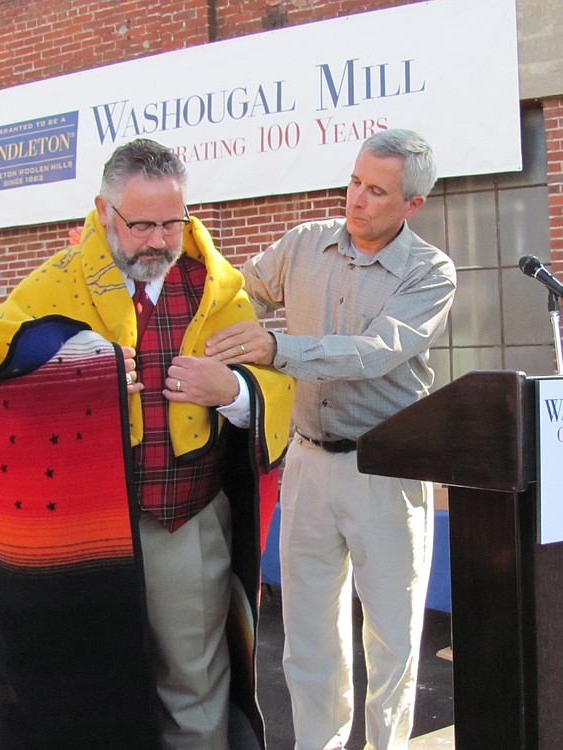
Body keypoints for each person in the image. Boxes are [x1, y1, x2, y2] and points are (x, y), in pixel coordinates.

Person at [0, 138, 294, 750]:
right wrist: (82, 367)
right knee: (90, 690)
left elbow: (275, 387)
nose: (159, 241)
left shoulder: (219, 288)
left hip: (184, 521)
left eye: (173, 223)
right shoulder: (56, 283)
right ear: (105, 212)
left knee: (195, 686)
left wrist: (233, 390)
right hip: (81, 532)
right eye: (141, 225)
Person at [206, 129, 457, 749]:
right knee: (310, 638)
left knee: (392, 636)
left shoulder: (430, 273)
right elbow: (230, 291)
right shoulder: (301, 245)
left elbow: (377, 353)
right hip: (308, 465)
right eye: (354, 181)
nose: (357, 199)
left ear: (413, 205)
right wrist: (147, 259)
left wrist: (277, 348)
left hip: (388, 473)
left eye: (377, 190)